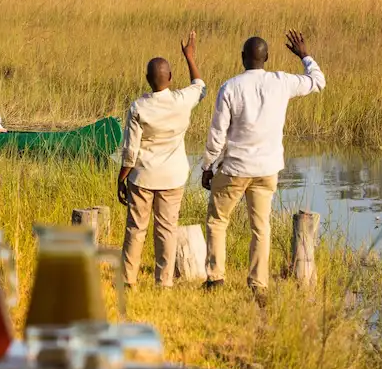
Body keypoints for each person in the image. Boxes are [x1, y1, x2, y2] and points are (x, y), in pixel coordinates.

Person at [200, 30, 325, 306]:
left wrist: (208, 165)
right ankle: (258, 284)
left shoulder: (230, 87)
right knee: (261, 227)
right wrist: (304, 55)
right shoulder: (281, 82)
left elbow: (217, 134)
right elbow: (318, 82)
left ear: (243, 58)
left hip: (235, 168)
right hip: (267, 169)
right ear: (266, 58)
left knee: (218, 221)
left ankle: (216, 278)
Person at [118, 31, 206, 289]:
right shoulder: (181, 100)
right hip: (173, 177)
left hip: (142, 177)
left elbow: (130, 151)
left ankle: (128, 281)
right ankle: (163, 283)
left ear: (147, 79)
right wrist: (190, 57)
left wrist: (121, 178)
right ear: (170, 78)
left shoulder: (138, 107)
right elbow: (200, 86)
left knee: (136, 229)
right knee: (166, 230)